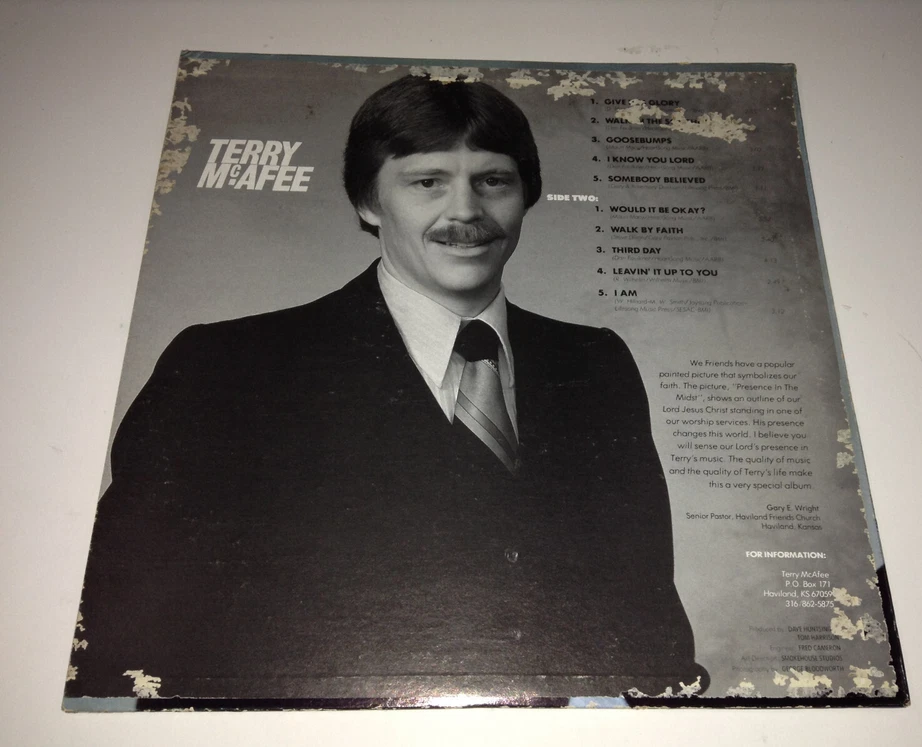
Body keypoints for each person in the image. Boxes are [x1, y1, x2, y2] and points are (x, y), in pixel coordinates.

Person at [65, 75, 707, 707]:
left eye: (494, 181)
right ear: (368, 202)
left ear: (525, 197)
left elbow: (649, 621)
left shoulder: (596, 363)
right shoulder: (226, 368)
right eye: (428, 182)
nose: (466, 212)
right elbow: (125, 627)